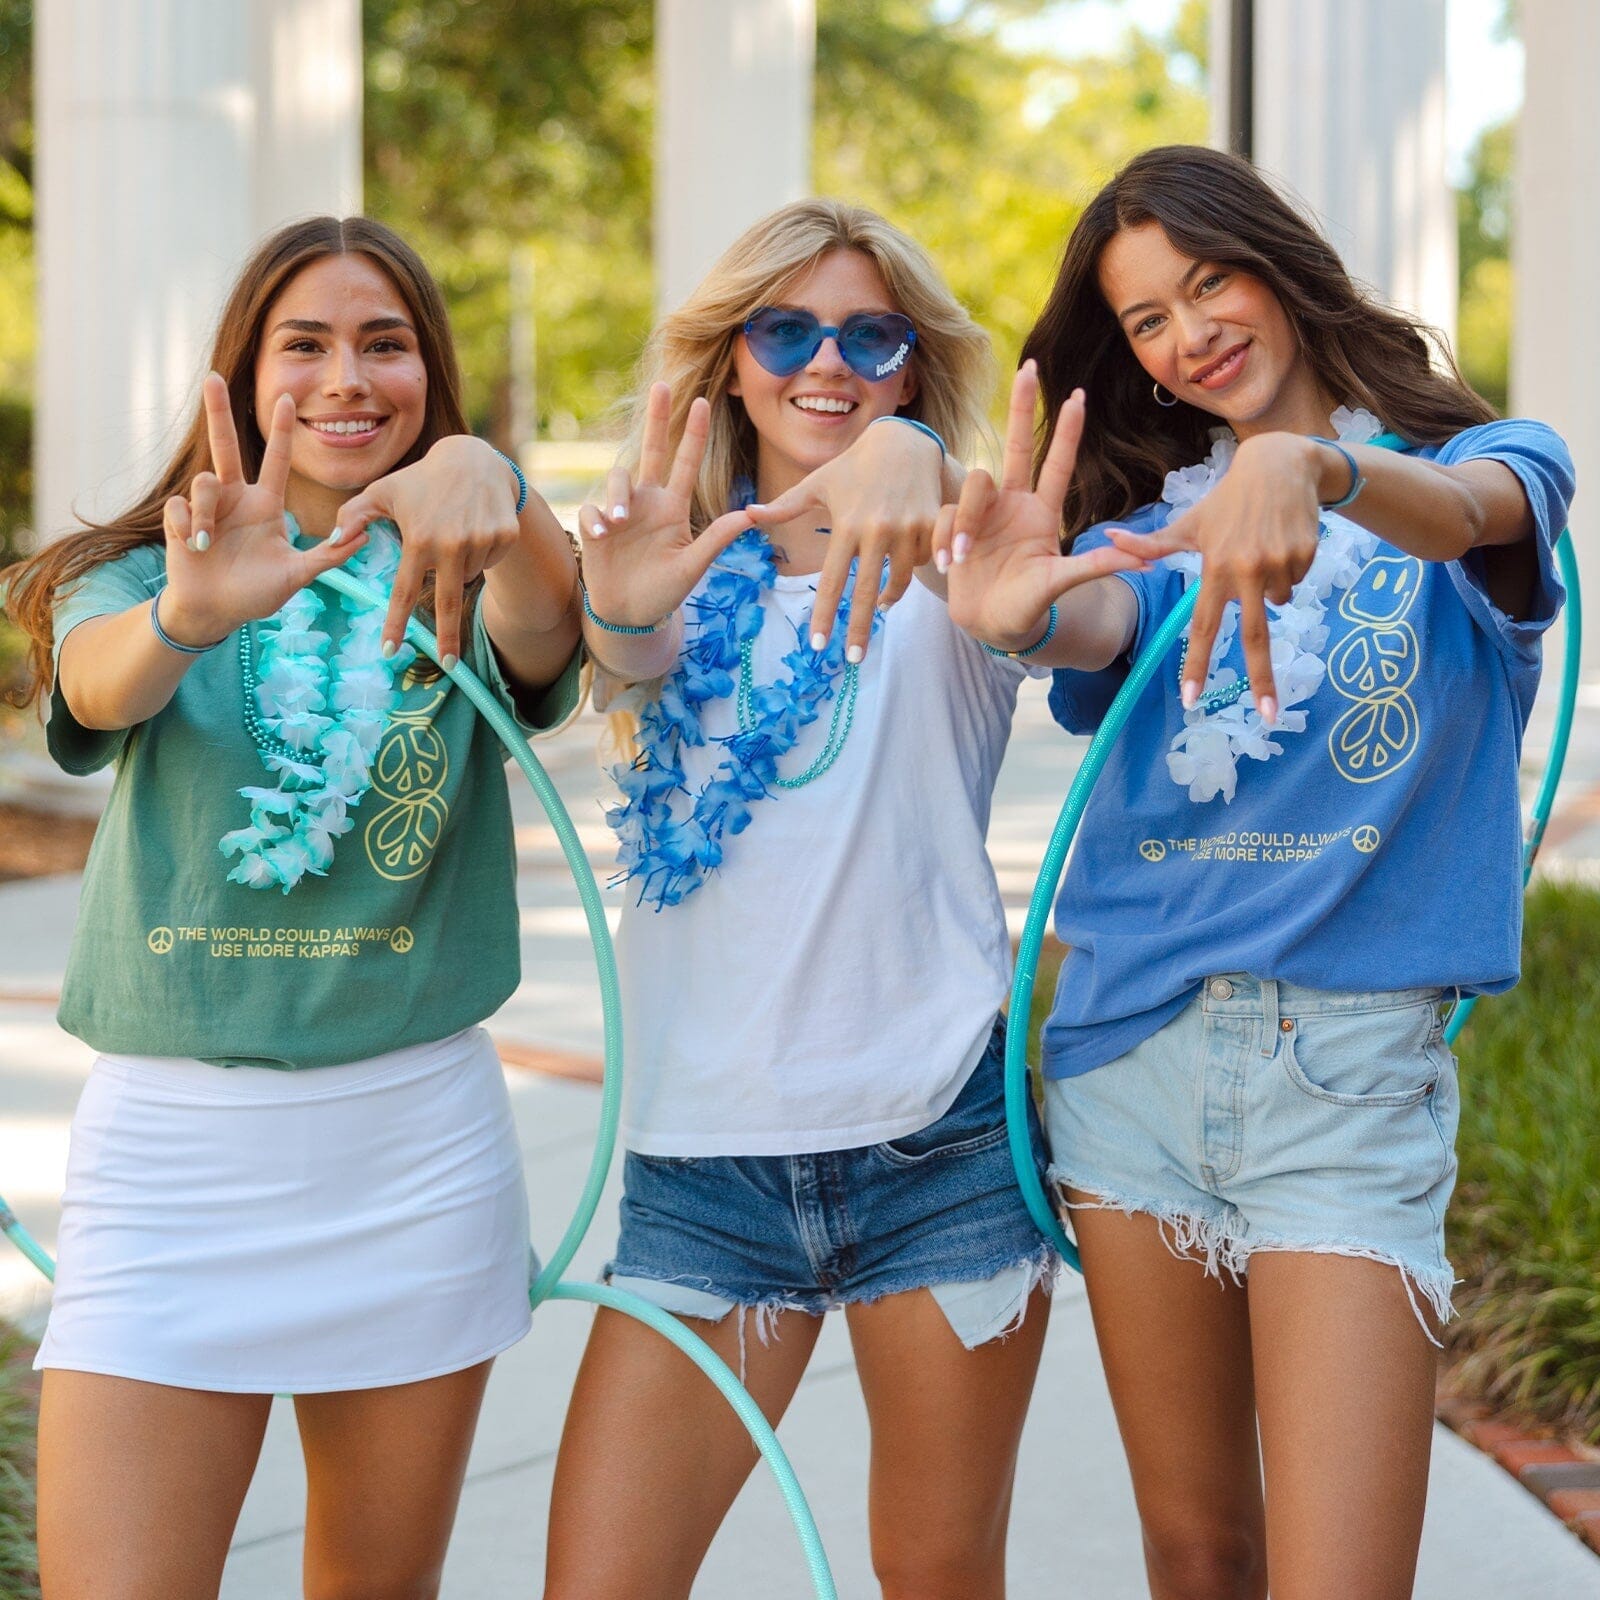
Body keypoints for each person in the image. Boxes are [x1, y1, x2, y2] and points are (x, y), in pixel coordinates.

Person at [939, 145, 1575, 1600]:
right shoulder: (1157, 527)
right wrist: (1021, 617)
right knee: (1199, 1554)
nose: (1190, 333)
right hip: (1130, 1063)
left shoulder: (1492, 465)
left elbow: (1473, 514)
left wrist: (1317, 468)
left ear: (1279, 266)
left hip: (1347, 1079)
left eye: (1209, 281)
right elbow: (1099, 619)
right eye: (1147, 319)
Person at [542, 198, 1133, 1600]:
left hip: (940, 1147)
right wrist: (615, 609)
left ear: (913, 366)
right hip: (705, 1169)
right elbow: (622, 651)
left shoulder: (964, 551)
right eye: (787, 330)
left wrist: (917, 460)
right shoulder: (662, 552)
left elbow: (1080, 624)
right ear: (730, 358)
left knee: (936, 1575)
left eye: (873, 337)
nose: (829, 361)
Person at [3, 215, 586, 1599]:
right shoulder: (144, 564)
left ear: (430, 372)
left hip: (415, 1152)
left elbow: (554, 627)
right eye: (304, 344)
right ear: (247, 374)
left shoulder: (472, 563)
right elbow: (96, 688)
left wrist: (494, 479)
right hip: (175, 1164)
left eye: (386, 344)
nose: (346, 379)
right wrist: (188, 616)